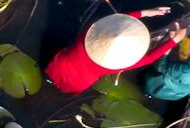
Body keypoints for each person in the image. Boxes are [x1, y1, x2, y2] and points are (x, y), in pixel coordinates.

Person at [45, 6, 188, 94]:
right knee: (62, 89)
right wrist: (174, 40)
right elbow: (149, 59)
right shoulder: (115, 65)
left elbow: (117, 20)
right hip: (79, 81)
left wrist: (146, 12)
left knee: (49, 73)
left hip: (60, 63)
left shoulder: (88, 35)